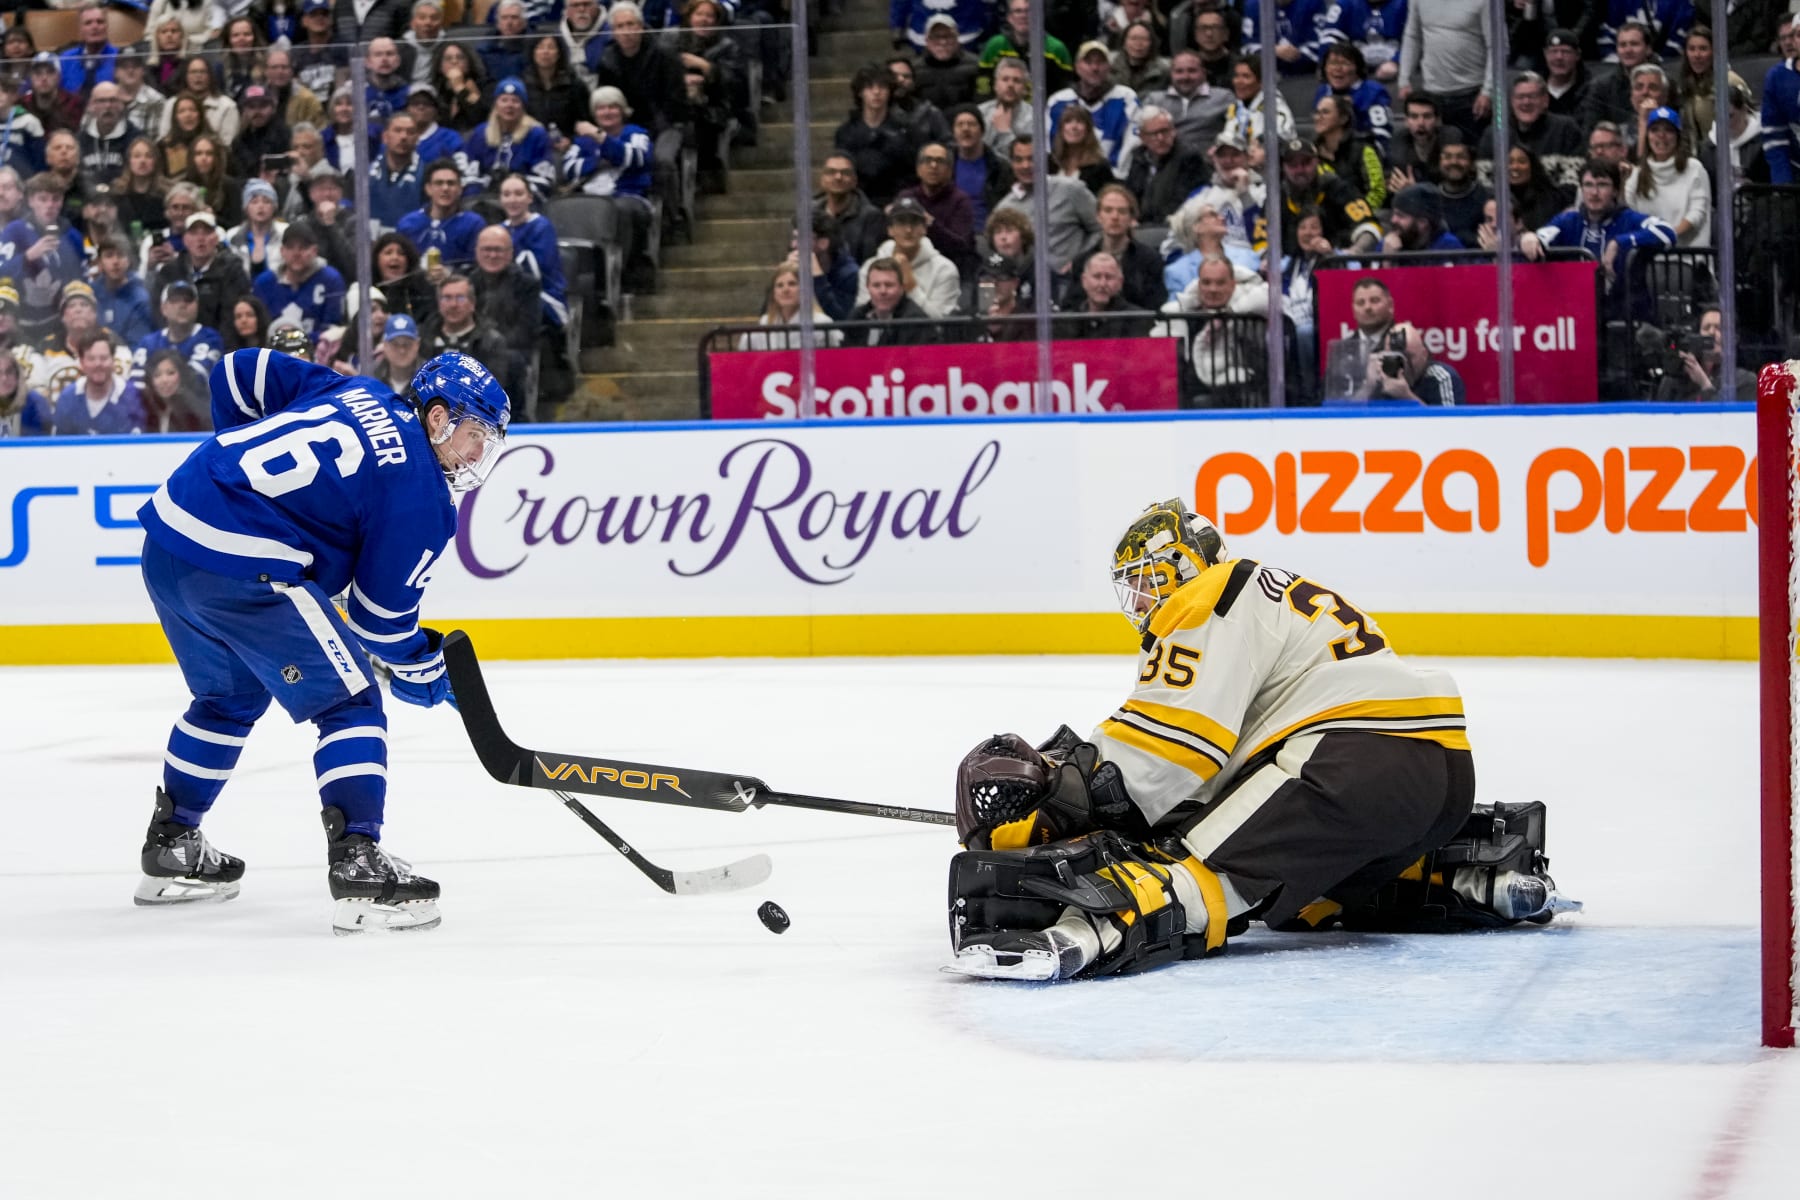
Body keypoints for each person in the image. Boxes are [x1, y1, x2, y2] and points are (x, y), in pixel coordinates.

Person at [946, 500, 1571, 981]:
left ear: (1178, 567)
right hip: (1437, 775)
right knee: (1299, 892)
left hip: (1344, 759)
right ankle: (1464, 880)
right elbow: (1221, 769)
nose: (1137, 599)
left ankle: (1087, 932)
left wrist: (1063, 795)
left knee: (1191, 873)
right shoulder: (1275, 596)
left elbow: (1167, 750)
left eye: (1142, 580)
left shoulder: (1206, 597)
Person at [133, 347, 509, 934]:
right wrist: (423, 668)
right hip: (245, 564)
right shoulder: (422, 494)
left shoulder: (360, 391)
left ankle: (173, 846)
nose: (480, 452)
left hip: (171, 528)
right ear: (437, 418)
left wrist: (241, 487)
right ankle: (358, 860)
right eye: (475, 433)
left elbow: (238, 370)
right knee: (352, 701)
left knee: (228, 700)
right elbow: (379, 622)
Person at [994, 134, 1100, 274]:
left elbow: (1100, 228)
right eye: (1018, 160)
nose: (1025, 166)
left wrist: (1080, 261)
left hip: (1070, 280)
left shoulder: (1071, 190)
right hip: (1024, 284)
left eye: (1032, 159)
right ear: (1011, 163)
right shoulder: (1004, 208)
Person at [1398, 0, 1494, 142]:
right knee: (1435, 157)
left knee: (1470, 154)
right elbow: (1412, 36)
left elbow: (1497, 47)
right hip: (1432, 94)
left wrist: (1488, 91)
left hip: (1472, 95)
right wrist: (1404, 78)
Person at [853, 196, 961, 319]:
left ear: (924, 229)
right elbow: (861, 316)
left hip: (924, 337)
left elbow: (941, 324)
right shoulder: (870, 267)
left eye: (914, 223)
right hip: (880, 334)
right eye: (901, 222)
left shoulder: (944, 269)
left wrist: (911, 287)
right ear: (890, 230)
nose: (908, 230)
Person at [1623, 106, 1712, 249]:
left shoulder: (1694, 168)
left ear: (1678, 136)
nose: (1661, 135)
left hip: (1687, 256)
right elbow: (1628, 211)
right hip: (1647, 255)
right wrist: (1622, 182)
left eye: (1668, 130)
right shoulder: (1638, 174)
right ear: (1647, 136)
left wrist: (1666, 237)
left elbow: (1697, 213)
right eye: (1655, 130)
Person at [1046, 41, 1141, 172]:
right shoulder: (1058, 101)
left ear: (1109, 67)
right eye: (1088, 62)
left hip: (1113, 181)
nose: (1095, 68)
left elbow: (1133, 144)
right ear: (1077, 67)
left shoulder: (1126, 98)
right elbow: (1049, 146)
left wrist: (1114, 178)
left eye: (1100, 62)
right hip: (1065, 179)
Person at [1068, 184, 1163, 312]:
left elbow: (1154, 305)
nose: (1115, 217)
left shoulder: (1150, 260)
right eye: (1108, 210)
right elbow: (1072, 307)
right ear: (1098, 216)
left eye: (1122, 211)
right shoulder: (1081, 261)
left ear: (1131, 218)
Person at [834, 63, 918, 208]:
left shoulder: (905, 130)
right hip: (856, 204)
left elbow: (911, 175)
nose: (876, 92)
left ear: (890, 91)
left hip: (896, 203)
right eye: (869, 87)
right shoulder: (845, 132)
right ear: (860, 92)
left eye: (882, 87)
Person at [253, 222, 345, 339]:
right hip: (273, 352)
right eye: (290, 247)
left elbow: (332, 328)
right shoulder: (264, 283)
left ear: (315, 251)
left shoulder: (331, 280)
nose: (296, 253)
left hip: (319, 353)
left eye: (303, 247)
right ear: (282, 251)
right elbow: (258, 331)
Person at [49, 329, 145, 435]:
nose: (98, 364)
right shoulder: (68, 398)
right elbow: (60, 446)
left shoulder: (133, 397)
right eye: (91, 359)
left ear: (113, 360)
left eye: (104, 358)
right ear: (81, 362)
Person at [133, 277, 222, 390]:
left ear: (197, 306)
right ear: (163, 308)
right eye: (175, 300)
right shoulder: (148, 343)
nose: (182, 305)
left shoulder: (210, 338)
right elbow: (136, 384)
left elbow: (196, 381)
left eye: (188, 300)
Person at [1654, 307, 1756, 402]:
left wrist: (1705, 386)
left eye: (1720, 328)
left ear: (1734, 339)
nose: (1712, 332)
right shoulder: (1675, 379)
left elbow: (1730, 418)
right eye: (1706, 328)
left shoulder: (1746, 381)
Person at [1140, 49, 1230, 158]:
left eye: (1192, 71)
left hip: (1206, 165)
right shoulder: (1154, 100)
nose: (1185, 77)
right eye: (1179, 71)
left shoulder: (1224, 97)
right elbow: (1140, 136)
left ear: (1204, 73)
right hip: (1164, 165)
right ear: (1171, 74)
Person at [978, 0, 1073, 99]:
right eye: (1018, 11)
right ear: (1009, 17)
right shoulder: (995, 46)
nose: (1023, 16)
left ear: (1039, 15)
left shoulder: (1056, 49)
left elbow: (1064, 92)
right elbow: (983, 83)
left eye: (1029, 11)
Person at [1322, 275, 1396, 400]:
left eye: (1375, 300)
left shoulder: (1407, 342)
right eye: (1360, 303)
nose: (1367, 307)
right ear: (1353, 310)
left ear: (1390, 305)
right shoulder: (1341, 350)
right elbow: (1330, 398)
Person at [1355, 320, 1464, 404]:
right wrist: (1368, 387)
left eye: (1409, 356)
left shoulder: (1440, 377)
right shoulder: (1379, 376)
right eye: (1395, 357)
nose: (1403, 364)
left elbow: (1449, 425)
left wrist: (1407, 396)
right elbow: (1348, 420)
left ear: (1424, 354)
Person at [1311, 93, 1385, 215]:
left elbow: (1378, 191)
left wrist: (1357, 214)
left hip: (1361, 217)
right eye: (1317, 112)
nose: (1318, 117)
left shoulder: (1364, 149)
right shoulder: (1311, 153)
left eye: (1325, 112)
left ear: (1343, 118)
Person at [736, 263, 840, 350]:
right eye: (779, 285)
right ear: (773, 293)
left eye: (792, 284)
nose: (785, 290)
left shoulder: (822, 323)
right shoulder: (765, 322)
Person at [1315, 40, 1392, 151]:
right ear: (1325, 68)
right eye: (1332, 63)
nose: (1337, 69)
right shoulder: (1323, 92)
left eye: (1344, 63)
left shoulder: (1373, 92)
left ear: (1357, 68)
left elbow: (1382, 135)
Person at [846, 256, 934, 346]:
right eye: (876, 285)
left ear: (901, 287)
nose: (883, 291)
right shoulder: (857, 317)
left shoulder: (915, 321)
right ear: (868, 287)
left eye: (889, 285)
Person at [914, 14, 980, 110]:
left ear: (957, 38)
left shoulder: (975, 65)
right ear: (927, 41)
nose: (943, 42)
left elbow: (982, 102)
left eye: (948, 36)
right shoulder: (915, 70)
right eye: (936, 37)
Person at [140, 345, 211, 431]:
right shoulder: (144, 408)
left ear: (182, 375)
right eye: (157, 375)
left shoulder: (195, 411)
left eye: (171, 373)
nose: (164, 380)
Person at [1433, 140, 1490, 248]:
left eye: (1461, 157)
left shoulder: (1488, 196)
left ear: (1472, 164)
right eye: (1447, 157)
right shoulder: (1430, 199)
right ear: (1439, 163)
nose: (1454, 162)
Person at [977, 57, 1034, 158]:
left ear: (1025, 89)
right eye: (1005, 79)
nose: (1010, 85)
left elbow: (1024, 159)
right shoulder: (980, 112)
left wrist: (1004, 131)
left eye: (1016, 81)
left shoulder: (1033, 117)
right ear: (995, 85)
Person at [1383, 182, 1464, 252]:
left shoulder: (1448, 246)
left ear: (1422, 222)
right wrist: (1388, 260)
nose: (1393, 220)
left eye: (1400, 216)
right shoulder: (1388, 243)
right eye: (1394, 214)